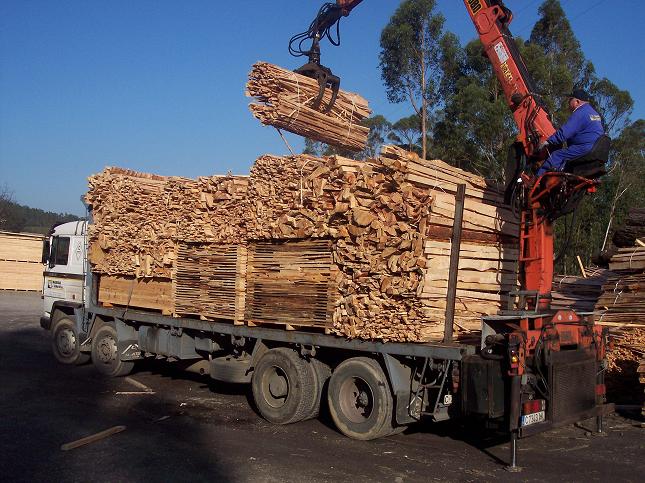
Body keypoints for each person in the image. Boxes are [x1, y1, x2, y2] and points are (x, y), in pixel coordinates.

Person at [537, 89, 605, 176]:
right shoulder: (594, 113)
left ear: (577, 101)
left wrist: (548, 141)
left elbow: (565, 133)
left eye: (570, 100)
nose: (568, 102)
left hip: (584, 148)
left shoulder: (580, 113)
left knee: (556, 156)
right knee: (565, 160)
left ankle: (536, 180)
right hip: (595, 149)